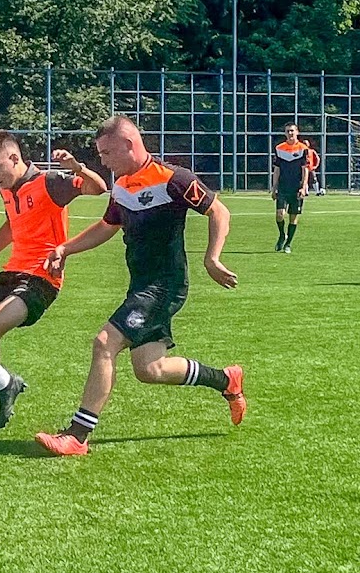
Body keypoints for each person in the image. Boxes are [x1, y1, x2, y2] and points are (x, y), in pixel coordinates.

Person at [35, 115, 245, 457]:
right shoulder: (122, 186)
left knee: (105, 342)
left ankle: (78, 435)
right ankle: (226, 380)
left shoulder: (174, 179)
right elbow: (107, 226)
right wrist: (65, 248)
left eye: (106, 153)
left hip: (164, 285)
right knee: (150, 369)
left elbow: (219, 212)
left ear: (129, 144)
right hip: (141, 287)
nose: (102, 160)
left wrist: (212, 258)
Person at [0, 131, 107, 430]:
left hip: (42, 279)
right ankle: (6, 382)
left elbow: (98, 188)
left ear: (14, 158)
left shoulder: (51, 182)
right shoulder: (8, 189)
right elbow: (11, 225)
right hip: (11, 273)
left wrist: (76, 167)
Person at [271, 123, 309, 253]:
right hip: (283, 187)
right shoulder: (279, 148)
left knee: (293, 217)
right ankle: (282, 235)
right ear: (285, 133)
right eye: (288, 131)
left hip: (296, 188)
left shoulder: (303, 149)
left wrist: (303, 187)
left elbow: (305, 170)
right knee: (280, 214)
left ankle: (288, 244)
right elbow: (277, 169)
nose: (290, 133)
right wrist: (274, 187)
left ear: (297, 132)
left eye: (292, 131)